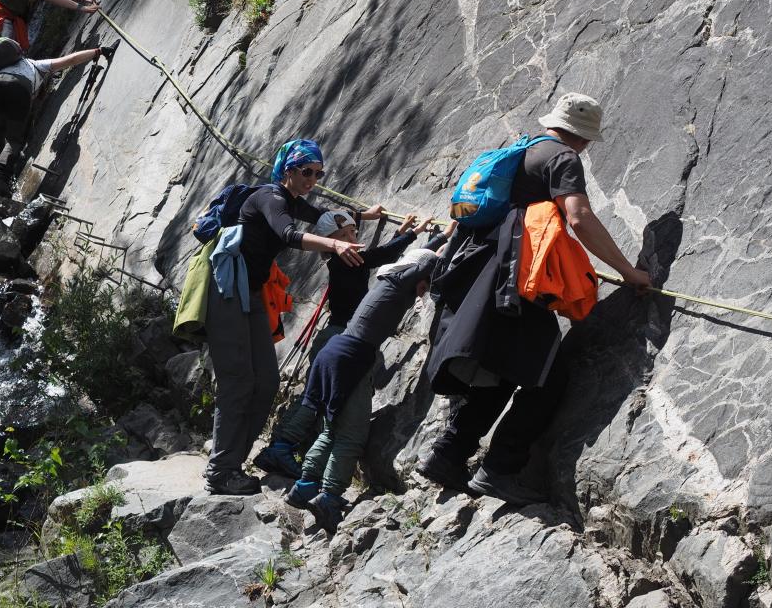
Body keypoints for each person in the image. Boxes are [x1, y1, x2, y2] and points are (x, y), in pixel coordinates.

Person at [416, 92, 652, 505]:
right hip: (514, 280)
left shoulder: (521, 150)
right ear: (583, 137)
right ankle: (498, 469)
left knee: (504, 367)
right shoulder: (563, 158)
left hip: (482, 274)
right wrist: (628, 272)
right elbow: (579, 217)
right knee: (547, 375)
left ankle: (447, 456)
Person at [203, 139, 384, 496]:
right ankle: (220, 471)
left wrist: (363, 216)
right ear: (287, 170)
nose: (312, 179)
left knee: (267, 381)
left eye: (318, 174)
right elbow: (287, 233)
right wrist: (335, 244)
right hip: (226, 292)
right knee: (238, 381)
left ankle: (233, 463)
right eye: (306, 172)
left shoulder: (290, 200)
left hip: (252, 293)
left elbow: (319, 216)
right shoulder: (270, 197)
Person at [254, 212, 456, 479]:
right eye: (343, 235)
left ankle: (283, 448)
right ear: (329, 242)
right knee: (321, 403)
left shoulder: (346, 262)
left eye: (353, 233)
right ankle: (286, 450)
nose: (351, 239)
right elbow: (384, 256)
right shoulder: (345, 260)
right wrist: (422, 235)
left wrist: (403, 234)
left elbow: (386, 260)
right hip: (344, 340)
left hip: (336, 338)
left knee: (316, 398)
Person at [287, 247, 448, 533]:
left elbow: (419, 260)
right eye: (427, 282)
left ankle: (305, 486)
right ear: (418, 272)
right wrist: (451, 243)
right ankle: (329, 498)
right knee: (351, 435)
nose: (426, 291)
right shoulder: (400, 283)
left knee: (332, 428)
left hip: (336, 352)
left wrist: (441, 239)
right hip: (352, 357)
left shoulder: (389, 280)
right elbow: (424, 263)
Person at [0, 37, 114, 199]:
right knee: (15, 139)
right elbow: (71, 59)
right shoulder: (34, 64)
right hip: (18, 86)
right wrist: (98, 51)